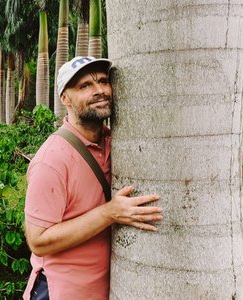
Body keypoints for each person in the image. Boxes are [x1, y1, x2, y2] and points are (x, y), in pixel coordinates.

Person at [23, 56, 164, 300]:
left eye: (102, 81)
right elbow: (38, 241)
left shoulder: (117, 141)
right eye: (84, 86)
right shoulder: (52, 159)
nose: (99, 90)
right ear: (65, 99)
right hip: (62, 293)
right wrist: (109, 213)